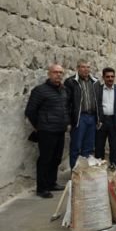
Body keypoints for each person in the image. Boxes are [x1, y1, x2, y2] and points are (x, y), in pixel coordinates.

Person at [25, 65, 71, 198]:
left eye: (60, 72)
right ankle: (42, 188)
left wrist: (67, 122)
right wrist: (37, 125)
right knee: (45, 159)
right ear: (49, 74)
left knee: (56, 159)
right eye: (55, 72)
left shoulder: (64, 90)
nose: (58, 74)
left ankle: (52, 183)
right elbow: (30, 111)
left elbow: (66, 109)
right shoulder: (40, 91)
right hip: (46, 130)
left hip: (60, 130)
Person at [64, 59, 103, 170]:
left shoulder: (95, 82)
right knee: (76, 147)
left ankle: (85, 173)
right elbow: (66, 103)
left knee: (89, 148)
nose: (86, 69)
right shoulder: (71, 81)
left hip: (92, 117)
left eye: (88, 67)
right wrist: (68, 121)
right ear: (77, 68)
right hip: (79, 117)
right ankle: (75, 173)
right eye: (83, 67)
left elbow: (99, 102)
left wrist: (99, 118)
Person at [95, 67, 116, 168]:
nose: (110, 78)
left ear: (115, 77)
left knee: (114, 146)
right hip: (102, 121)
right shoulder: (98, 89)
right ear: (103, 77)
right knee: (99, 146)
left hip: (115, 121)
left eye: (112, 76)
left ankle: (114, 167)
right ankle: (100, 168)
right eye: (107, 77)